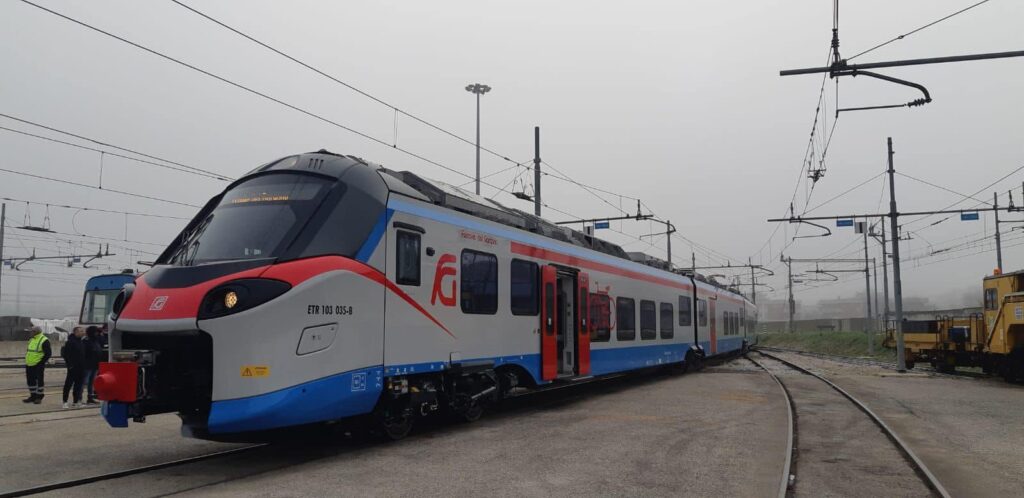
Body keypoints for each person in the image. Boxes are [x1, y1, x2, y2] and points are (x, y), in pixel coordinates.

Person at [23, 326, 52, 404]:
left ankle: (39, 397)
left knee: (39, 381)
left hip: (38, 365)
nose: (30, 333)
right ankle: (33, 396)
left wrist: (41, 362)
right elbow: (29, 351)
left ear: (35, 332)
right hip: (29, 364)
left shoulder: (44, 340)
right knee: (30, 381)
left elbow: (48, 354)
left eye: (31, 331)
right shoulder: (31, 339)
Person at [61, 327, 86, 409]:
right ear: (76, 332)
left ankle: (76, 401)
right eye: (81, 331)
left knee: (78, 385)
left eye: (83, 331)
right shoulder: (70, 342)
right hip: (73, 367)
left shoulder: (81, 342)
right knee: (68, 384)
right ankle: (65, 401)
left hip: (81, 367)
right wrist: (70, 366)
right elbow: (66, 355)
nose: (83, 332)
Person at [82, 326, 103, 405]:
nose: (97, 334)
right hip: (88, 365)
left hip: (95, 365)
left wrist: (101, 334)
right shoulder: (86, 341)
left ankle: (90, 397)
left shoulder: (96, 340)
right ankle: (79, 398)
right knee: (84, 382)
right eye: (96, 332)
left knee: (92, 382)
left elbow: (102, 343)